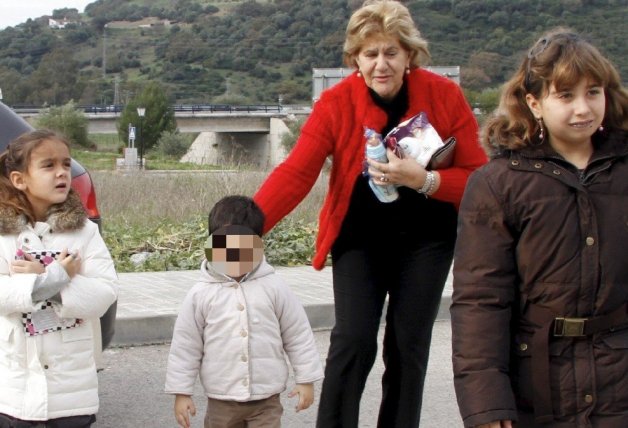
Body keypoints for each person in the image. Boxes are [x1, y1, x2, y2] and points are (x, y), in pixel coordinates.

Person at [253, 1, 487, 426]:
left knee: (408, 346)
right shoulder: (334, 103)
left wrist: (425, 180)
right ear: (355, 59)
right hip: (360, 238)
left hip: (428, 241)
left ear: (409, 55)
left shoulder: (444, 95)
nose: (381, 64)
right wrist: (246, 227)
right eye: (370, 53)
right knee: (353, 340)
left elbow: (479, 177)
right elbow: (297, 171)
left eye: (391, 52)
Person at [451, 27, 628, 428]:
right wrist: (487, 404)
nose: (582, 108)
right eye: (565, 95)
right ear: (534, 102)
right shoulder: (498, 183)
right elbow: (481, 300)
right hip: (537, 384)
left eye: (593, 92)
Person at [164, 195, 324, 428]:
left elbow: (298, 334)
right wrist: (182, 392)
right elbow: (185, 346)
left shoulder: (274, 287)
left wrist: (306, 379)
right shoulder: (201, 294)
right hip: (222, 400)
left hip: (267, 399)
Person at [0, 129, 118, 427]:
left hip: (72, 391)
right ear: (19, 179)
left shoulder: (84, 232)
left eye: (66, 164)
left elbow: (104, 293)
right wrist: (56, 277)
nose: (61, 173)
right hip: (14, 390)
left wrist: (45, 281)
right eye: (48, 165)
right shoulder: (4, 236)